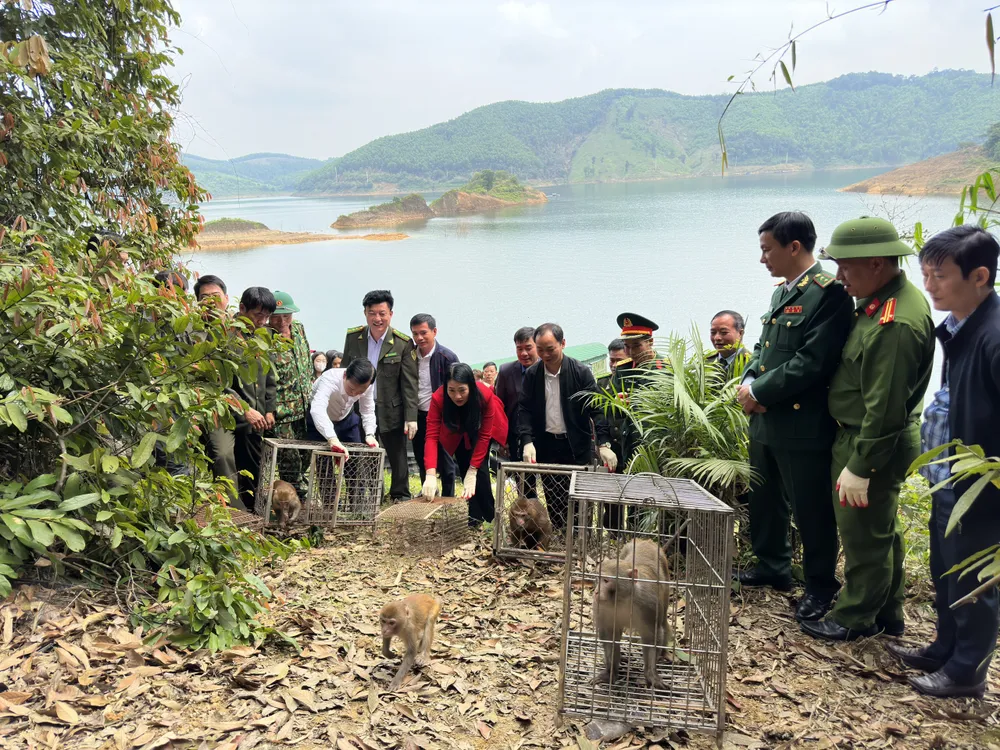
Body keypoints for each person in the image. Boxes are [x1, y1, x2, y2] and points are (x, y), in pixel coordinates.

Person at [799, 216, 934, 642]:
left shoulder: (895, 324)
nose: (839, 276)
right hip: (863, 437)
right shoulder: (883, 299)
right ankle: (888, 613)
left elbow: (886, 409)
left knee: (862, 537)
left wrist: (861, 465)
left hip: (872, 443)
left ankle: (855, 618)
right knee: (880, 530)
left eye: (845, 267)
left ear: (877, 263)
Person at [885, 226, 1000, 699]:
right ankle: (945, 648)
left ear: (980, 276)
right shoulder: (959, 325)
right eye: (925, 274)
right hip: (948, 479)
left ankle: (967, 671)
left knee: (974, 577)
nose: (928, 285)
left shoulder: (993, 336)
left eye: (939, 275)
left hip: (981, 485)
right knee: (947, 567)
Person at [736, 212, 854, 624]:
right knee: (765, 499)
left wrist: (761, 391)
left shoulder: (829, 294)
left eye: (768, 249)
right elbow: (764, 347)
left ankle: (820, 585)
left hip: (803, 424)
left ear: (794, 247)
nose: (763, 258)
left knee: (810, 508)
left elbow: (812, 362)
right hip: (766, 421)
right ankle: (773, 567)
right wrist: (751, 378)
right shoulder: (780, 293)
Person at [518, 323, 615, 529]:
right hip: (547, 446)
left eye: (550, 348)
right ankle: (562, 543)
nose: (545, 354)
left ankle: (582, 542)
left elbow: (596, 409)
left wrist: (604, 444)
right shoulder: (533, 375)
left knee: (581, 501)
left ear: (562, 344)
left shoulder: (580, 372)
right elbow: (524, 409)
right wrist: (527, 441)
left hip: (576, 446)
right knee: (555, 500)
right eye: (540, 349)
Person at [342, 290, 418, 502]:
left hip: (391, 408)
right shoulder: (353, 338)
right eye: (372, 313)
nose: (377, 319)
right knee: (357, 453)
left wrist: (411, 417)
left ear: (391, 314)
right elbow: (345, 373)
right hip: (359, 407)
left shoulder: (403, 343)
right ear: (365, 313)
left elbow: (409, 383)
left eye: (382, 313)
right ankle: (359, 496)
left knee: (397, 454)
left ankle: (400, 495)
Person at [421, 363, 508, 525]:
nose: (457, 396)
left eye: (462, 390)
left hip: (480, 427)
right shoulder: (438, 398)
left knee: (480, 471)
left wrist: (473, 469)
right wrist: (430, 474)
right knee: (463, 466)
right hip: (457, 431)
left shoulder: (484, 396)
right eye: (452, 390)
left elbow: (484, 437)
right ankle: (474, 518)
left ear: (471, 385)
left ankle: (493, 519)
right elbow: (431, 437)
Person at [267, 291, 314, 489]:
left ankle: (295, 494)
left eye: (286, 315)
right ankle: (296, 497)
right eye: (276, 316)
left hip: (305, 407)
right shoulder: (265, 337)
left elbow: (307, 363)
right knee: (289, 460)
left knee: (306, 455)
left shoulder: (298, 329)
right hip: (282, 412)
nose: (281, 321)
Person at [410, 313, 459, 498]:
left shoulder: (447, 357)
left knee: (446, 460)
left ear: (434, 331)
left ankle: (448, 497)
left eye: (423, 333)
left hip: (443, 416)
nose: (419, 338)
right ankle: (428, 493)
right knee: (422, 456)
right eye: (415, 334)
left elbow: (458, 389)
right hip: (419, 415)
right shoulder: (410, 357)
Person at [310, 358, 379, 455]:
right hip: (321, 420)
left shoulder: (368, 384)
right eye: (351, 389)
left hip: (346, 418)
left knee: (355, 457)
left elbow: (367, 410)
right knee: (324, 463)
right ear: (345, 375)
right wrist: (332, 439)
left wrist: (370, 434)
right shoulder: (330, 378)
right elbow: (318, 409)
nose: (354, 394)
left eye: (360, 392)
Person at [495, 327, 539, 464]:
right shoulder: (506, 371)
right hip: (516, 436)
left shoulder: (547, 369)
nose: (524, 353)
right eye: (519, 349)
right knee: (524, 481)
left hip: (544, 435)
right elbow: (499, 407)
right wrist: (503, 440)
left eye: (528, 348)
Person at [707, 310, 749, 376]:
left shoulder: (751, 363)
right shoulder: (706, 364)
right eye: (713, 333)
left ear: (740, 333)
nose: (717, 338)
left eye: (724, 332)